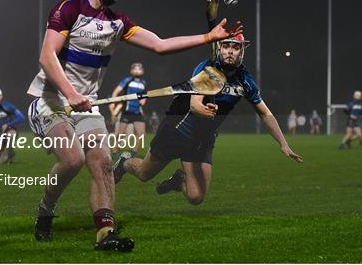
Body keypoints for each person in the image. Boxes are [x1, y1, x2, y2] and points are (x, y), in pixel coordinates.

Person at [26, 0, 242, 252]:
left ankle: (105, 233)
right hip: (51, 101)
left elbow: (160, 45)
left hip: (88, 105)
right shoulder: (68, 10)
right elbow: (47, 57)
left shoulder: (117, 22)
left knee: (102, 163)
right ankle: (45, 211)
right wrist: (71, 94)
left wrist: (208, 37)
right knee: (73, 159)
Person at [113, 31, 302, 206]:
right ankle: (124, 161)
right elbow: (195, 105)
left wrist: (283, 143)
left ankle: (179, 181)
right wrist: (204, 109)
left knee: (196, 197)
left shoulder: (245, 81)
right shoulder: (206, 68)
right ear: (219, 48)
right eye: (226, 46)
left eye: (236, 47)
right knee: (143, 173)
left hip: (201, 139)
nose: (230, 51)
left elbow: (265, 113)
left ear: (242, 51)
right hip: (177, 129)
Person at [109, 63, 147, 154]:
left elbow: (144, 95)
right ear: (131, 71)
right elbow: (116, 92)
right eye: (135, 69)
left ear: (142, 71)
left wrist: (144, 100)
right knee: (121, 134)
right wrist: (112, 103)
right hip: (126, 111)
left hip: (137, 112)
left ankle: (133, 152)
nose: (137, 70)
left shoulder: (144, 83)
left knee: (142, 134)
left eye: (139, 69)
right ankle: (115, 150)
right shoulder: (127, 80)